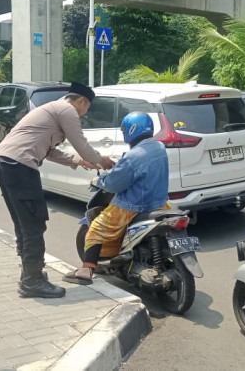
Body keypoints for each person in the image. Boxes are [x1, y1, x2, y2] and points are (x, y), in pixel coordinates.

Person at [0, 82, 115, 298]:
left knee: (24, 224)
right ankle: (32, 282)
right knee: (34, 225)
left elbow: (49, 151)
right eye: (86, 109)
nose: (84, 114)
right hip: (19, 166)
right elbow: (81, 142)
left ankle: (30, 275)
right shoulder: (67, 110)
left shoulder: (50, 109)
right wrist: (100, 160)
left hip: (4, 163)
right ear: (82, 101)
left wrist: (78, 161)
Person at [64, 112, 169, 285]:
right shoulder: (159, 147)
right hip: (159, 204)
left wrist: (99, 180)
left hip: (131, 207)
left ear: (131, 130)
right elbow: (141, 167)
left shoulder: (132, 157)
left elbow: (114, 184)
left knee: (96, 229)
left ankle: (85, 271)